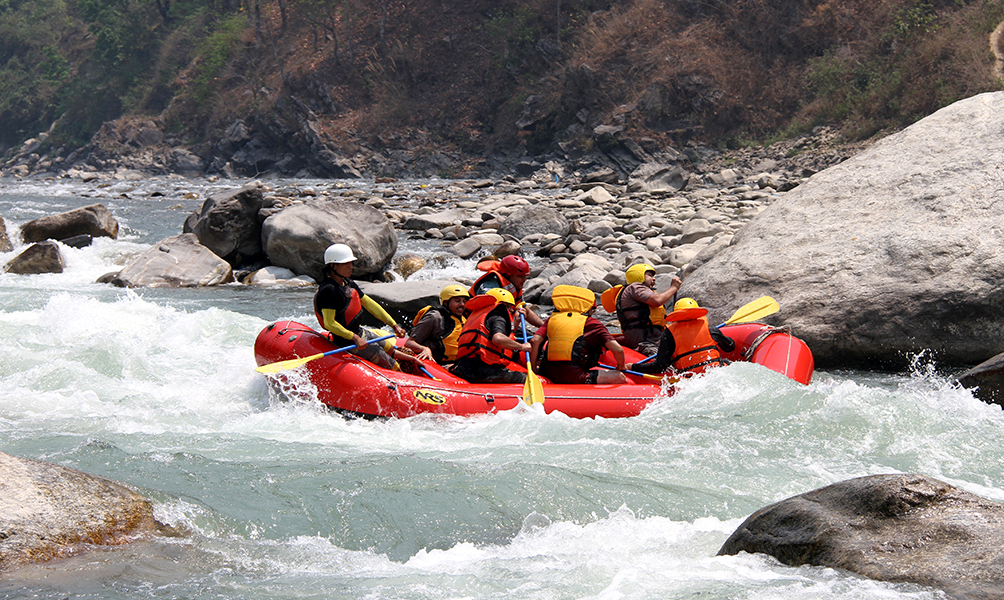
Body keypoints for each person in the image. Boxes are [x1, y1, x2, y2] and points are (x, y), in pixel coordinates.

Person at [313, 243, 418, 370]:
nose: (351, 267)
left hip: (359, 332)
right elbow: (329, 323)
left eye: (351, 263)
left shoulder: (349, 283)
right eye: (346, 264)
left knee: (390, 350)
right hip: (347, 341)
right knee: (393, 365)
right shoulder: (329, 290)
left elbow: (371, 305)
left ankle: (413, 362)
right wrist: (355, 338)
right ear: (333, 266)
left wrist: (393, 325)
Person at [529, 285, 626, 384]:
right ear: (588, 308)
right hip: (576, 376)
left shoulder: (552, 319)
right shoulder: (592, 323)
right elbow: (618, 350)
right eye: (593, 310)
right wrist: (621, 366)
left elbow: (534, 340)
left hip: (548, 374)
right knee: (619, 377)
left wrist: (533, 369)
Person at [629, 297, 736, 376]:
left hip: (689, 380)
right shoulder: (710, 329)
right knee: (726, 362)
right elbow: (730, 347)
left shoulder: (669, 333)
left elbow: (660, 366)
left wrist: (633, 367)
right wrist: (722, 337)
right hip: (716, 374)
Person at [449, 288, 531, 384]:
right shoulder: (498, 317)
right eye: (507, 306)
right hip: (484, 371)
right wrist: (522, 346)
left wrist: (516, 322)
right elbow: (498, 339)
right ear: (499, 305)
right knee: (525, 379)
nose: (510, 310)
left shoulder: (478, 315)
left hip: (465, 368)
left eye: (511, 307)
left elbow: (504, 338)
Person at [615, 263, 682, 355]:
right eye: (650, 275)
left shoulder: (642, 291)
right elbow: (657, 301)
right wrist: (674, 287)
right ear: (638, 275)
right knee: (667, 364)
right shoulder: (635, 287)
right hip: (645, 344)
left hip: (654, 341)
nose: (654, 279)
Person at [470, 254, 544, 328]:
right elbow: (489, 317)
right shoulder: (490, 287)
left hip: (502, 325)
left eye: (525, 276)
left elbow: (527, 311)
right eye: (520, 276)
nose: (524, 280)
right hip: (484, 326)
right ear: (508, 275)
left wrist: (545, 328)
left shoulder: (513, 285)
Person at [405, 284, 469, 364]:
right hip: (437, 365)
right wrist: (424, 349)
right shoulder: (434, 317)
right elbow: (409, 343)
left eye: (464, 301)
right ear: (446, 302)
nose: (462, 305)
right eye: (457, 301)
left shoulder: (463, 319)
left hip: (456, 363)